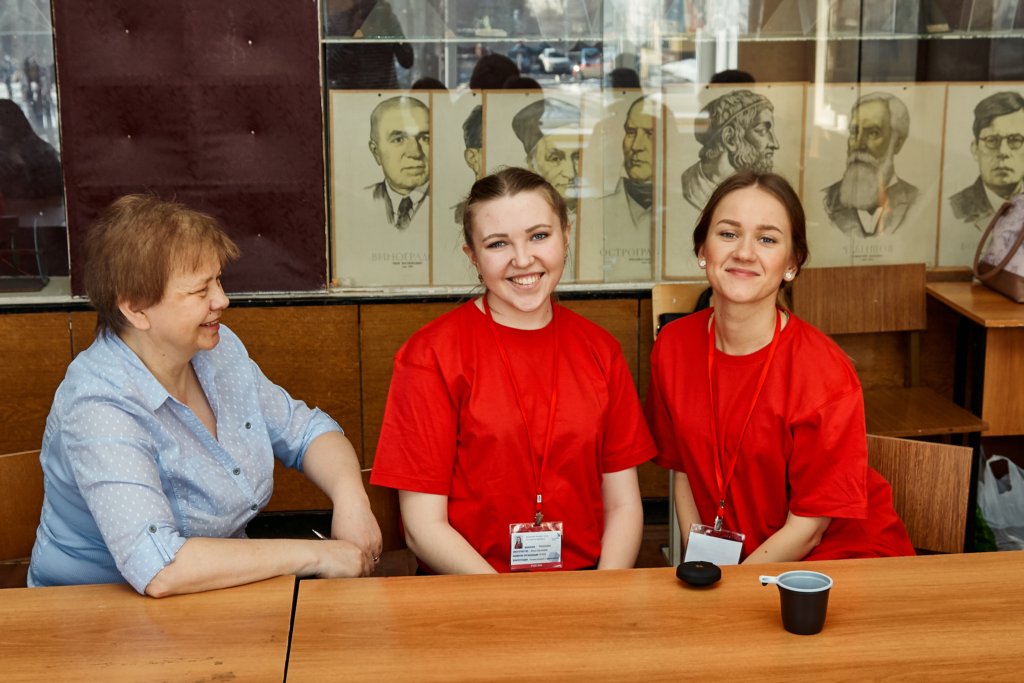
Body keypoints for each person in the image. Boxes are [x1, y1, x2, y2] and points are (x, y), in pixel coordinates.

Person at [28, 195, 382, 596]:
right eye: (200, 291)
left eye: (218, 281)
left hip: (217, 595)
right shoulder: (97, 403)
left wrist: (351, 499)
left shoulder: (216, 350)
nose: (222, 300)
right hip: (92, 609)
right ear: (136, 309)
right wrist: (318, 555)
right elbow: (160, 567)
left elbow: (307, 432)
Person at [371, 167, 655, 574]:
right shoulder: (429, 356)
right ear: (473, 255)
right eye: (498, 243)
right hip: (468, 591)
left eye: (539, 236)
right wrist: (504, 599)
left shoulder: (601, 351)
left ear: (566, 236)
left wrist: (603, 593)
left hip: (585, 588)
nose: (522, 259)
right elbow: (422, 527)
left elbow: (623, 505)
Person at [646, 171, 914, 564]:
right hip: (746, 567)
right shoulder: (672, 347)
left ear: (792, 263)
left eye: (767, 239)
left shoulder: (825, 374)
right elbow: (684, 470)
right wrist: (704, 566)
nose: (744, 252)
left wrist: (732, 585)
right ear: (702, 249)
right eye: (728, 234)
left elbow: (809, 530)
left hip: (836, 561)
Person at [822, 92, 918, 237]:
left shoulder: (917, 201)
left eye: (873, 133)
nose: (858, 144)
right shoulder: (826, 200)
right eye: (854, 132)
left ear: (897, 143)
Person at [681, 90, 779, 211]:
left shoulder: (754, 190)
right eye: (761, 130)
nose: (775, 144)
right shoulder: (691, 188)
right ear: (730, 139)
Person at [949, 91, 1024, 230]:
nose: (1003, 152)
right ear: (975, 149)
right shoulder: (953, 209)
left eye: (1015, 140)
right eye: (992, 140)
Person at [601, 95, 656, 280]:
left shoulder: (688, 210)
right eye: (631, 132)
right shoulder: (595, 212)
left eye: (650, 134)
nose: (636, 146)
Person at [367, 95, 430, 230]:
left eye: (425, 138)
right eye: (398, 139)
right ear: (376, 152)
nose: (415, 153)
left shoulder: (453, 205)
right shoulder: (356, 202)